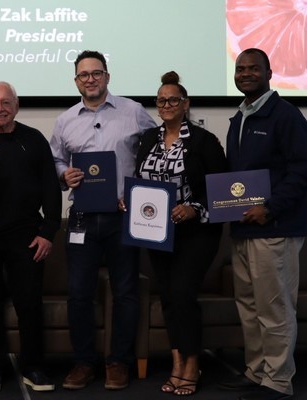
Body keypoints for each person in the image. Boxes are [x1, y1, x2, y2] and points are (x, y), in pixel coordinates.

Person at [50, 50, 156, 391]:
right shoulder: (66, 120)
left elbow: (156, 152)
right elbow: (55, 159)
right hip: (82, 218)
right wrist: (64, 174)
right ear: (76, 81)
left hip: (123, 217)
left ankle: (118, 363)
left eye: (97, 73)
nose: (90, 79)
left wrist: (140, 191)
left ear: (107, 77)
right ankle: (83, 363)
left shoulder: (133, 111)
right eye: (84, 75)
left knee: (125, 292)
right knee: (79, 294)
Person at [218, 48, 307, 400]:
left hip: (275, 228)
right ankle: (257, 372)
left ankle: (278, 380)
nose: (245, 74)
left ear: (269, 73)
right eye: (240, 69)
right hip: (243, 229)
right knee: (250, 306)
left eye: (254, 68)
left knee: (275, 307)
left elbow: (301, 171)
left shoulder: (286, 116)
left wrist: (269, 209)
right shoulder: (239, 118)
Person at [133, 71, 227, 396]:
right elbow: (140, 181)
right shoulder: (148, 138)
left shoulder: (204, 141)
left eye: (173, 100)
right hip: (157, 232)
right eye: (161, 101)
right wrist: (131, 201)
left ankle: (192, 364)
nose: (167, 105)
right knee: (168, 296)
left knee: (184, 293)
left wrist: (193, 208)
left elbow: (221, 189)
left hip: (196, 233)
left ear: (186, 104)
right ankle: (177, 361)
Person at [0, 82, 62, 392]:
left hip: (28, 238)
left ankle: (34, 367)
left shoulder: (34, 140)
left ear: (16, 106)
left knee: (29, 305)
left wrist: (48, 233)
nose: (0, 108)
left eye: (6, 102)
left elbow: (51, 188)